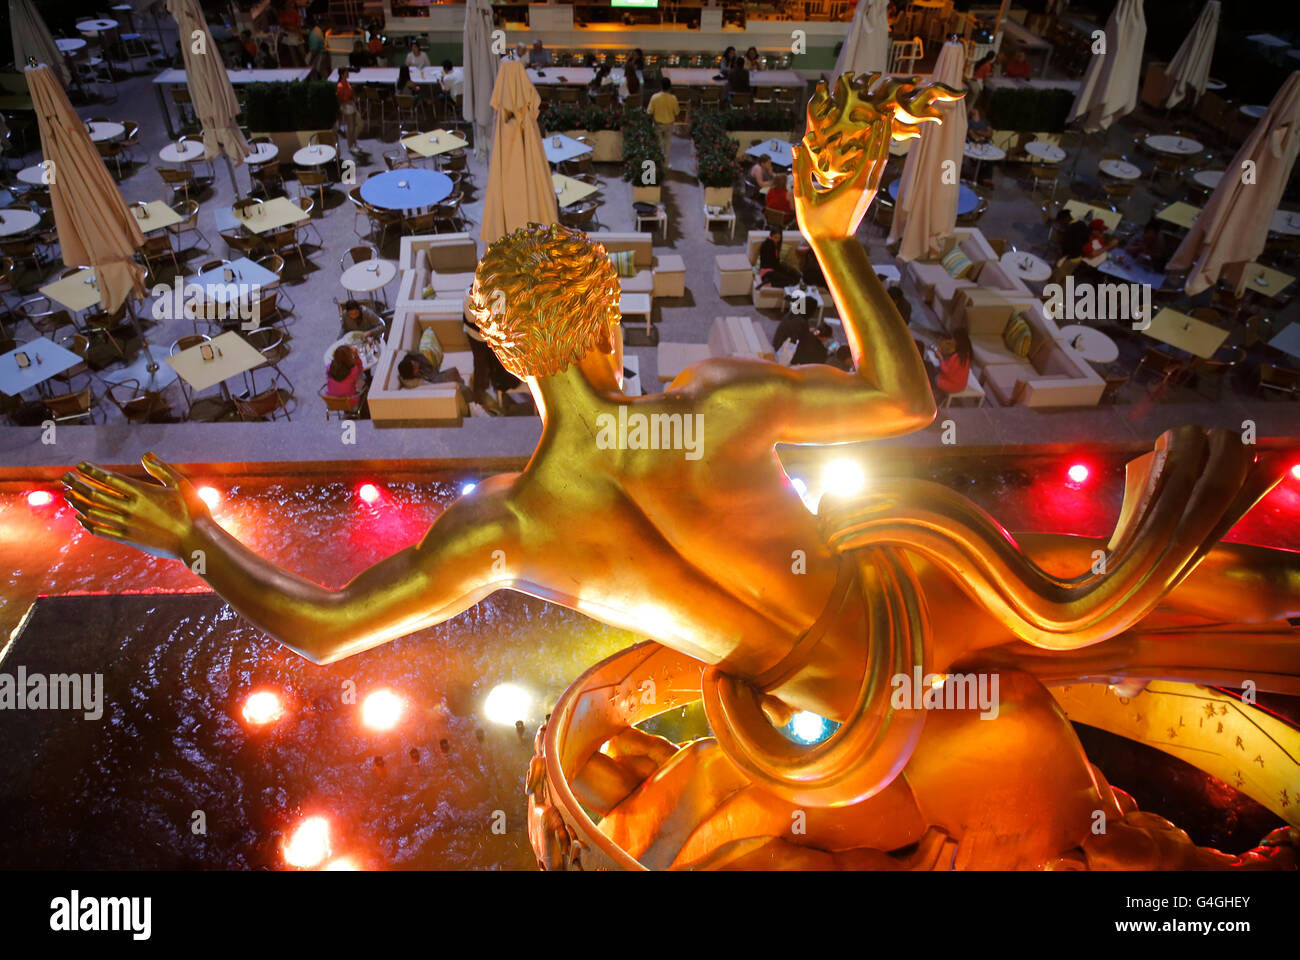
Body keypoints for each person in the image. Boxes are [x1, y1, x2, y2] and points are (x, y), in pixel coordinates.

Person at [68, 84, 1300, 872]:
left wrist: (193, 540)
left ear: (506, 364)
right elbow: (907, 397)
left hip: (819, 711)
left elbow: (327, 630)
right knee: (1186, 590)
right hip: (910, 606)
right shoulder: (716, 407)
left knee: (1130, 610)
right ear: (609, 326)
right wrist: (830, 239)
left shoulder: (506, 533)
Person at [646, 77, 678, 172]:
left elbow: (649, 112)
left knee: (658, 145)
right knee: (667, 146)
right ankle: (665, 165)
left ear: (660, 86)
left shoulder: (654, 97)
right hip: (669, 125)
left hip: (657, 125)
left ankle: (657, 165)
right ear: (670, 87)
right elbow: (676, 112)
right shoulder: (673, 98)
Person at [932, 327, 972, 400]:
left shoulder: (958, 357)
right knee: (934, 369)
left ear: (958, 341)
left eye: (954, 338)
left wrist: (940, 358)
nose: (952, 340)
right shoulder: (966, 353)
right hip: (960, 383)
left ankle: (938, 395)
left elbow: (947, 371)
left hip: (954, 385)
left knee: (934, 377)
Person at [325, 344, 365, 412]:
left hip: (332, 401)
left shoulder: (329, 367)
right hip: (350, 403)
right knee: (362, 381)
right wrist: (356, 357)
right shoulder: (354, 370)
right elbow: (360, 369)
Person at [336, 68, 359, 149]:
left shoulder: (346, 82)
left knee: (358, 124)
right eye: (346, 72)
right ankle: (351, 145)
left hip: (352, 106)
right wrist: (347, 102)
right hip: (347, 108)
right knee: (350, 127)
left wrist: (353, 98)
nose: (348, 74)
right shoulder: (340, 85)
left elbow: (350, 93)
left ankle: (354, 142)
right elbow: (340, 98)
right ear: (342, 74)